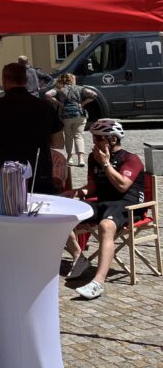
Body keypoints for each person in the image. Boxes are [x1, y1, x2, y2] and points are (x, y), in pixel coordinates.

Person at [63, 119, 145, 300]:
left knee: (106, 226)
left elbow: (122, 186)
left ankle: (98, 282)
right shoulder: (94, 158)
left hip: (128, 205)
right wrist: (76, 192)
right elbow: (91, 189)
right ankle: (79, 257)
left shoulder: (131, 159)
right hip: (103, 202)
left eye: (98, 138)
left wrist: (106, 163)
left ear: (112, 139)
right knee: (64, 216)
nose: (94, 142)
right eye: (93, 137)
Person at [0, 62, 64, 193]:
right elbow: (58, 142)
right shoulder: (45, 106)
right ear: (26, 80)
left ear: (4, 80)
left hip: (9, 173)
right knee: (41, 212)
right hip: (40, 172)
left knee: (10, 210)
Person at [43, 74, 97, 167]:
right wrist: (83, 103)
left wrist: (59, 103)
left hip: (66, 115)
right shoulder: (80, 88)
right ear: (72, 79)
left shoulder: (59, 88)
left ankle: (70, 158)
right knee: (78, 136)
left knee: (68, 136)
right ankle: (81, 159)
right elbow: (94, 94)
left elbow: (47, 94)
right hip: (80, 115)